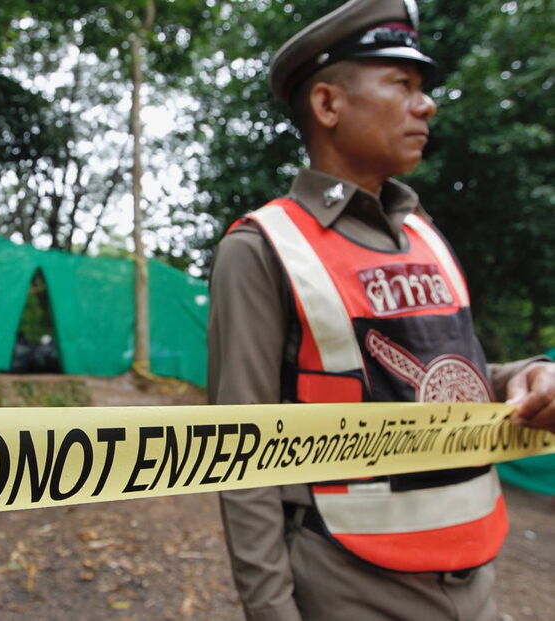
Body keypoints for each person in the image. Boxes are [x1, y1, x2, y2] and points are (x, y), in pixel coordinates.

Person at [206, 1, 555, 620]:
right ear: (327, 105)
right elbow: (243, 453)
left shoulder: (426, 236)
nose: (427, 105)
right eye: (403, 85)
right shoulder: (261, 248)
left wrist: (522, 378)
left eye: (423, 89)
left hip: (476, 576)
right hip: (350, 588)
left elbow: (445, 376)